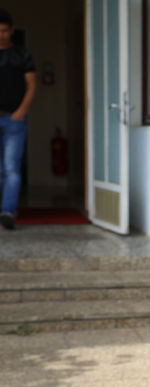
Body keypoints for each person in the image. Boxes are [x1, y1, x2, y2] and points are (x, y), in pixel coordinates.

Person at [0, 9, 36, 230]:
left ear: (12, 30)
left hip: (14, 120)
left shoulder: (23, 54)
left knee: (11, 167)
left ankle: (8, 212)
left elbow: (32, 85)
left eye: (4, 30)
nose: (1, 35)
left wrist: (21, 111)